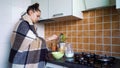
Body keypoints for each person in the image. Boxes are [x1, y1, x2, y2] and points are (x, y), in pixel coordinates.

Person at [9, 3, 58, 68]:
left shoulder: (28, 25)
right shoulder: (23, 24)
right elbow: (35, 41)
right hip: (21, 62)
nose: (38, 19)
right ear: (31, 12)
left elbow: (33, 40)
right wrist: (49, 38)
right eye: (37, 16)